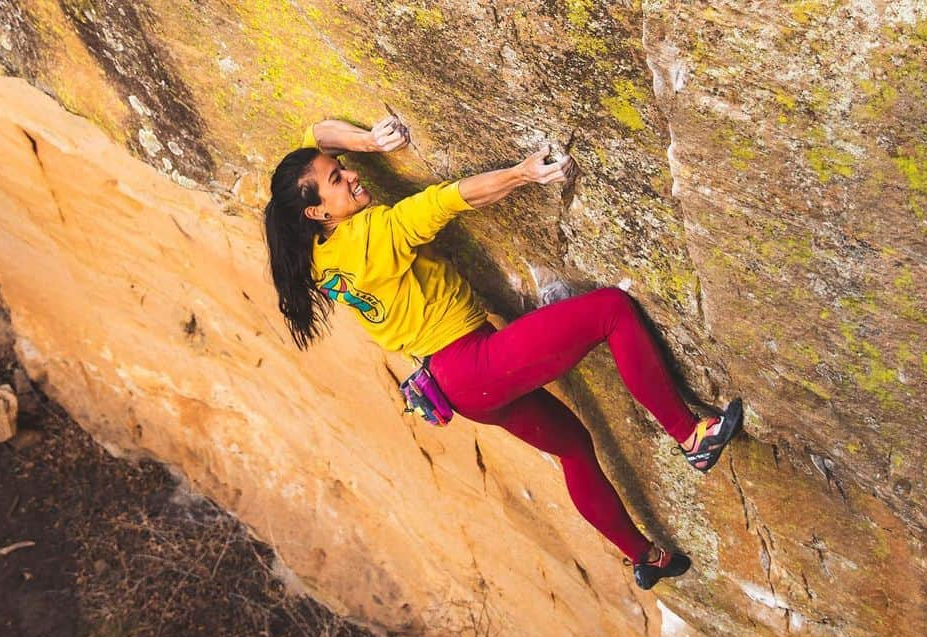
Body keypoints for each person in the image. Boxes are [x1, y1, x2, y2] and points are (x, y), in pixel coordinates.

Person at [263, 116, 742, 590]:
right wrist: (521, 174)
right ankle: (690, 436)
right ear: (316, 211)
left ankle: (645, 558)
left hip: (455, 388)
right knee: (611, 311)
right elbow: (450, 199)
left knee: (574, 449)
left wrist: (366, 141)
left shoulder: (319, 251)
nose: (349, 174)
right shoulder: (372, 238)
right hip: (471, 362)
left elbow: (316, 135)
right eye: (336, 179)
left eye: (341, 167)